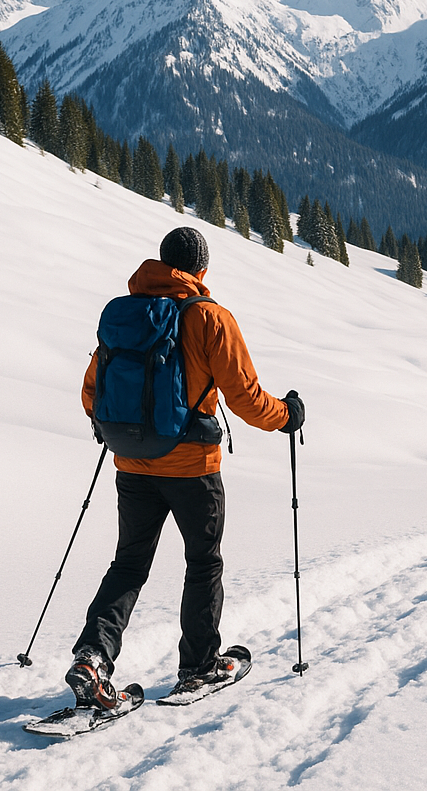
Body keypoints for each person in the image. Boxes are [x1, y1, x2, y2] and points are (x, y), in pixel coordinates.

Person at [65, 227, 305, 709]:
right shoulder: (209, 318)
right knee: (203, 562)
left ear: (160, 263)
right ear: (201, 269)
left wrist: (116, 431)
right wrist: (288, 414)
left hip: (132, 466)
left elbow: (93, 388)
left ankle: (93, 657)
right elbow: (246, 399)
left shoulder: (122, 314)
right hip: (193, 468)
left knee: (129, 564)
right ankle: (197, 666)